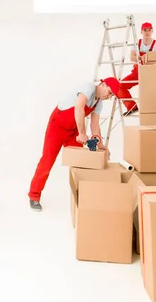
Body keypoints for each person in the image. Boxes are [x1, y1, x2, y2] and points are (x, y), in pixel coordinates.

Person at [28, 78, 120, 211]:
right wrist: (82, 133)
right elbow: (79, 109)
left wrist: (99, 142)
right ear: (103, 84)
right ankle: (34, 196)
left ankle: (82, 196)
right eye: (110, 92)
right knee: (47, 161)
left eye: (111, 95)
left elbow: (94, 125)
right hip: (57, 127)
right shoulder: (88, 88)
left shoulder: (98, 103)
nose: (109, 96)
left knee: (80, 164)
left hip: (73, 131)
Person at [118, 22, 156, 116]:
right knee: (120, 86)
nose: (147, 32)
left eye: (149, 30)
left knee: (153, 93)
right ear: (141, 32)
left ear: (152, 31)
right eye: (145, 30)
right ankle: (132, 107)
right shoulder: (137, 43)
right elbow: (132, 57)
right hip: (137, 72)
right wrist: (141, 58)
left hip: (150, 74)